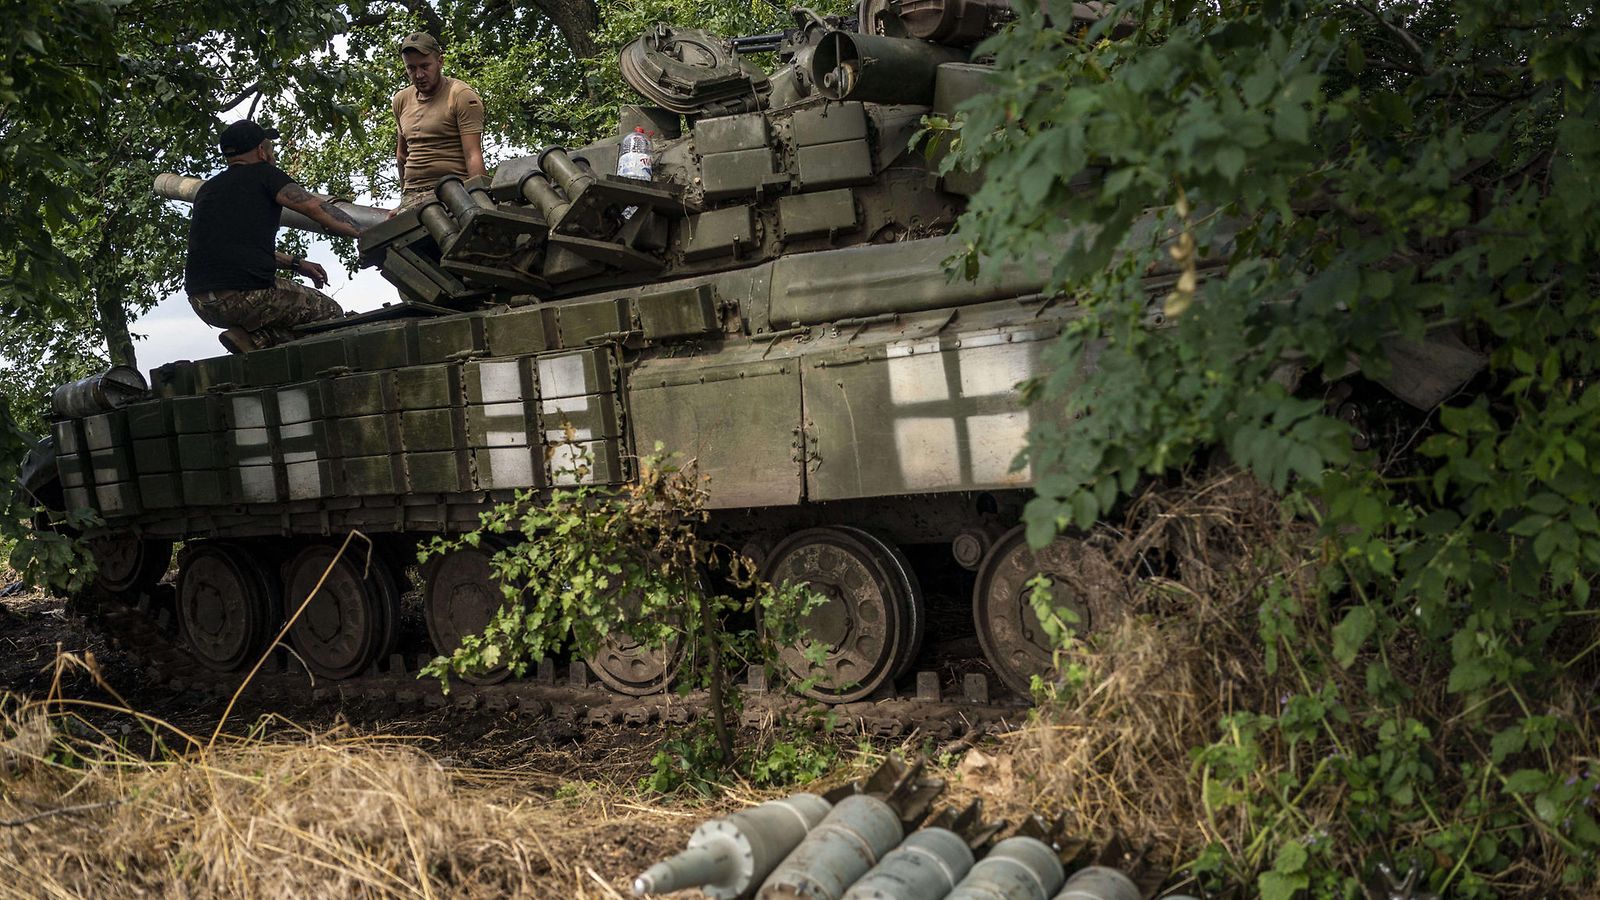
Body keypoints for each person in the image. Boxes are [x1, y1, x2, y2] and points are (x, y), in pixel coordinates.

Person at [183, 120, 364, 354]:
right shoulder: (264, 174)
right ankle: (262, 340)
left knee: (289, 314)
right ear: (261, 151)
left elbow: (236, 248)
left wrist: (296, 264)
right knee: (328, 312)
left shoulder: (208, 190)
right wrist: (364, 233)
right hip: (242, 296)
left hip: (202, 303)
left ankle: (250, 338)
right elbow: (314, 207)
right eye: (270, 146)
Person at [392, 31, 486, 211]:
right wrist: (403, 200)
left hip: (453, 192)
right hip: (412, 195)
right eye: (411, 68)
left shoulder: (460, 96)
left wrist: (481, 201)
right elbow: (401, 155)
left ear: (440, 61)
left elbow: (473, 155)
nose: (419, 75)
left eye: (425, 66)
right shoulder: (401, 100)